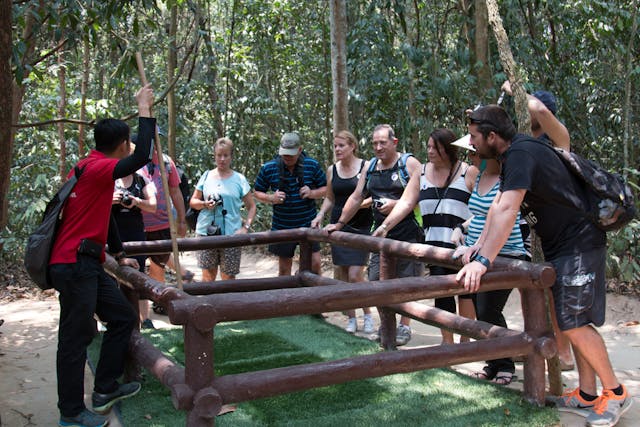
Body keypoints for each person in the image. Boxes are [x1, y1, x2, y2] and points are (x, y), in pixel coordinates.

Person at [456, 105, 631, 427]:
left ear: (492, 136)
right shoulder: (513, 156)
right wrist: (477, 247)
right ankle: (588, 394)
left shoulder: (521, 152)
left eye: (474, 137)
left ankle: (616, 391)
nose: (471, 143)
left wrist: (483, 262)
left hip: (578, 242)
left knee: (575, 322)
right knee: (570, 321)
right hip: (563, 245)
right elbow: (497, 207)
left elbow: (509, 208)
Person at [48, 85, 154, 427]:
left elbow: (102, 214)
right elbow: (141, 159)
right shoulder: (95, 169)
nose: (131, 148)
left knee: (122, 318)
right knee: (75, 340)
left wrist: (120, 253)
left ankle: (105, 387)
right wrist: (144, 108)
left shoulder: (89, 169)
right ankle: (71, 413)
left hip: (88, 264)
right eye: (129, 142)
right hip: (74, 265)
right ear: (122, 144)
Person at [372, 129, 479, 345]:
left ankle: (465, 341)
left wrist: (466, 229)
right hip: (434, 248)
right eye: (428, 146)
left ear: (448, 150)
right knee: (442, 294)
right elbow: (406, 202)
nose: (430, 151)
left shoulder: (469, 172)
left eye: (435, 148)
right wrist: (384, 227)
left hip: (464, 247)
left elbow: (482, 208)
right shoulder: (420, 172)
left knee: (466, 294)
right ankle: (447, 341)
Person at [327, 124, 423, 346]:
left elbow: (422, 195)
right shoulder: (370, 166)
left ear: (394, 142)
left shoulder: (408, 164)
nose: (378, 147)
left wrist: (396, 204)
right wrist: (339, 223)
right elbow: (356, 196)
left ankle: (404, 326)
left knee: (406, 284)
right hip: (379, 235)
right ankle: (386, 323)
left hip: (408, 234)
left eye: (383, 142)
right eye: (374, 143)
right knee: (375, 282)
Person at [502, 80, 574, 369]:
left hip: (560, 228)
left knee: (557, 292)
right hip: (530, 225)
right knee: (532, 287)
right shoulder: (520, 143)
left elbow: (541, 110)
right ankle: (536, 341)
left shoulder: (557, 140)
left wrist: (514, 88)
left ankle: (564, 351)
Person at [450, 136, 527, 386]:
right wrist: (463, 230)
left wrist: (481, 249)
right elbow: (482, 215)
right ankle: (493, 363)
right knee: (480, 312)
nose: (471, 157)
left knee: (488, 309)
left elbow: (501, 217)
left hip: (506, 253)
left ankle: (505, 364)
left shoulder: (509, 180)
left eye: (474, 153)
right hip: (477, 253)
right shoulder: (477, 176)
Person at [311, 130, 374, 334]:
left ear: (352, 146)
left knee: (357, 274)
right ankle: (351, 318)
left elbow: (374, 195)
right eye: (335, 145)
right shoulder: (332, 170)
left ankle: (367, 315)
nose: (337, 149)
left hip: (361, 224)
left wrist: (358, 206)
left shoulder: (366, 166)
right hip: (337, 224)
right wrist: (320, 215)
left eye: (341, 145)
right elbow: (330, 197)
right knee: (345, 274)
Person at [254, 132, 327, 276]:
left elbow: (326, 189)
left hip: (308, 223)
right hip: (282, 224)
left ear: (300, 150)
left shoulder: (312, 165)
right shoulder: (269, 167)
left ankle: (310, 292)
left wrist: (312, 193)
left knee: (315, 264)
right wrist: (271, 198)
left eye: (291, 154)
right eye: (284, 154)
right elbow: (257, 192)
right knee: (284, 268)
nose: (287, 158)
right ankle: (286, 296)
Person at [189, 137, 257, 280]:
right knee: (208, 277)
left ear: (231, 157)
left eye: (226, 155)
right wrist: (204, 204)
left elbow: (252, 206)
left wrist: (245, 227)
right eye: (219, 155)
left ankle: (228, 303)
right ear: (214, 156)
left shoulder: (239, 179)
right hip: (206, 232)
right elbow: (193, 202)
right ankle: (208, 303)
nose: (222, 159)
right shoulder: (206, 176)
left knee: (229, 278)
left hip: (232, 234)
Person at [112, 158, 157, 329]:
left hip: (136, 233)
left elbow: (153, 206)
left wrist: (137, 201)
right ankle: (115, 319)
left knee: (139, 275)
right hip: (113, 235)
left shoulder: (141, 179)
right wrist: (111, 200)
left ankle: (144, 319)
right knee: (112, 276)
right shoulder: (110, 179)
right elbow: (93, 204)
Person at [138, 135, 188, 286]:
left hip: (162, 223)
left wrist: (182, 220)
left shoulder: (166, 162)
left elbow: (175, 192)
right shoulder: (135, 162)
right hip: (138, 224)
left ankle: (159, 299)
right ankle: (186, 274)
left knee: (158, 264)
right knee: (138, 265)